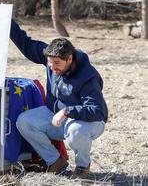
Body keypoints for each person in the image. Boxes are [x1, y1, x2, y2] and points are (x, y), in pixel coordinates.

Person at [10, 19, 108, 179]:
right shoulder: (51, 57)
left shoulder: (87, 76)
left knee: (76, 132)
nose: (53, 68)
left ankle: (83, 167)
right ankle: (56, 162)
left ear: (69, 59)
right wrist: (8, 22)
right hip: (57, 117)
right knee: (24, 121)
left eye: (57, 63)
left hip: (88, 122)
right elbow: (26, 45)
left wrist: (67, 111)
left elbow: (96, 111)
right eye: (50, 63)